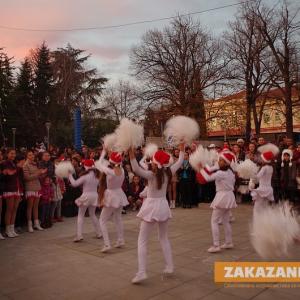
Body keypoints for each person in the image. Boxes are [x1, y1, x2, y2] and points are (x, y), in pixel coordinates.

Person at [129, 143, 184, 284]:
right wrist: (182, 148)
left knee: (142, 240)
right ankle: (170, 266)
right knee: (163, 237)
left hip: (151, 206)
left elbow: (135, 168)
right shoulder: (169, 171)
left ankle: (141, 272)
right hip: (163, 205)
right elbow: (180, 161)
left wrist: (130, 151)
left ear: (154, 162)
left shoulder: (151, 175)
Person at [197, 150, 237, 253]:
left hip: (222, 196)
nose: (218, 161)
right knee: (225, 221)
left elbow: (207, 178)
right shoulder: (230, 172)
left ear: (226, 162)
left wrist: (200, 169)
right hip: (229, 196)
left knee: (214, 221)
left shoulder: (220, 173)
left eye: (221, 160)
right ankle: (228, 242)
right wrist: (205, 166)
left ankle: (216, 245)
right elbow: (212, 169)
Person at [98, 149, 128, 253]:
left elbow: (100, 162)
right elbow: (118, 161)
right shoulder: (123, 170)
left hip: (111, 195)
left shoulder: (109, 171)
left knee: (102, 220)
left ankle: (107, 244)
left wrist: (103, 151)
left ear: (110, 162)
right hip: (119, 194)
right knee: (118, 218)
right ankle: (120, 240)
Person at [69, 159, 102, 242]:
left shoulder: (85, 176)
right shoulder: (97, 175)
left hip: (86, 196)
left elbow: (74, 184)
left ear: (85, 166)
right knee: (92, 214)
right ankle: (99, 233)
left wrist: (69, 175)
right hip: (94, 196)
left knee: (80, 215)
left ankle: (79, 235)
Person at [249, 144, 279, 216]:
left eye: (262, 158)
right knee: (265, 206)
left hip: (262, 189)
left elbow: (257, 177)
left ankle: (257, 221)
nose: (261, 159)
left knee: (257, 207)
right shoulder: (271, 167)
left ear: (265, 160)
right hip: (268, 188)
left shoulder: (264, 168)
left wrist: (251, 174)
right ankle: (264, 220)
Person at [2, 149, 25, 238]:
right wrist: (12, 171)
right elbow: (6, 175)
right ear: (7, 154)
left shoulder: (13, 164)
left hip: (16, 188)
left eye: (14, 153)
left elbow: (16, 176)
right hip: (9, 188)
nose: (13, 155)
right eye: (11, 153)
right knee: (9, 209)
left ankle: (12, 228)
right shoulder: (4, 163)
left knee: (15, 209)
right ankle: (7, 229)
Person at [23, 150, 47, 232]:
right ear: (26, 156)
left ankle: (36, 223)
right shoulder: (25, 165)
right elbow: (27, 177)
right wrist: (38, 174)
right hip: (30, 187)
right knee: (30, 207)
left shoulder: (35, 164)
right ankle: (29, 225)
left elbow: (37, 175)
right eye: (30, 155)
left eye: (32, 155)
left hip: (37, 186)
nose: (32, 156)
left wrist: (42, 173)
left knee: (36, 207)